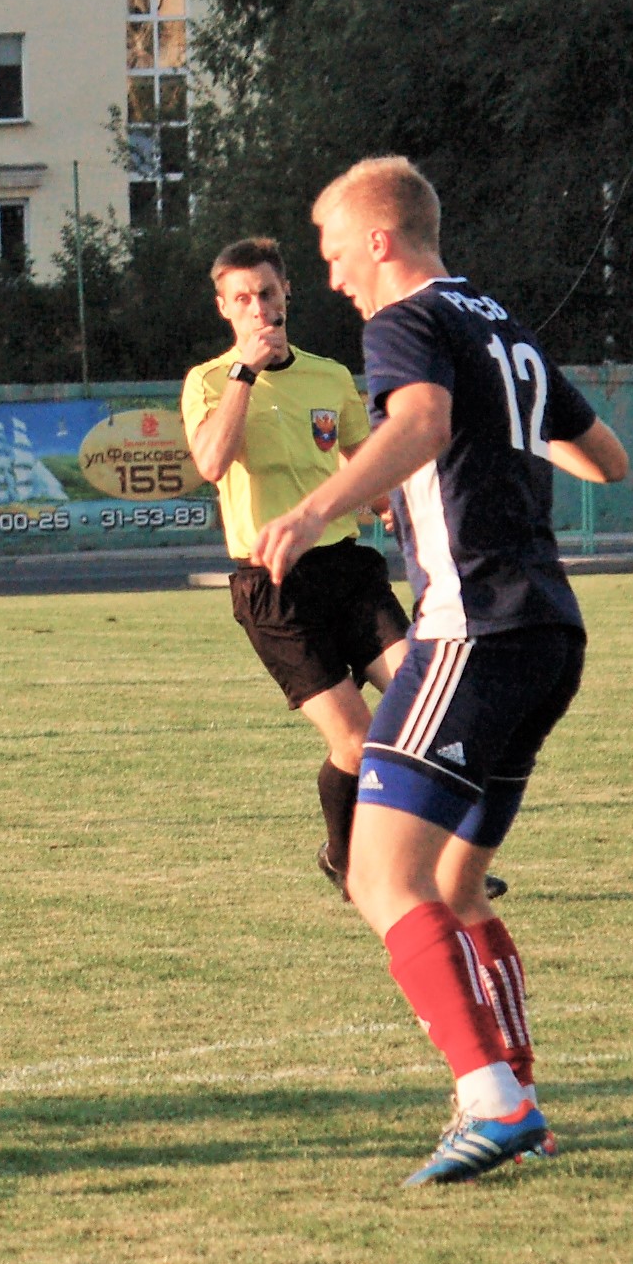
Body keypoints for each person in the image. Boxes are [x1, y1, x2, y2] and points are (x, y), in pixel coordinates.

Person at [253, 156, 629, 1187]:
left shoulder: (406, 318)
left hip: (471, 629)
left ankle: (489, 1099)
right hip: (547, 628)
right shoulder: (494, 320)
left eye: (332, 254)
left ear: (378, 239)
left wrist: (318, 504)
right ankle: (517, 1089)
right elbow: (604, 457)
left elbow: (416, 423)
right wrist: (489, 446)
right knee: (457, 884)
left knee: (379, 877)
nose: (330, 279)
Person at [183, 234, 414, 897]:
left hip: (348, 570)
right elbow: (211, 463)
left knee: (421, 711)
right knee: (357, 739)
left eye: (267, 293)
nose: (258, 308)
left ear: (288, 295)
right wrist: (244, 375)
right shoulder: (208, 382)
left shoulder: (331, 377)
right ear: (225, 309)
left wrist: (396, 504)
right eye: (242, 299)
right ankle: (352, 862)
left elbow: (364, 463)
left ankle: (428, 865)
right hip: (274, 587)